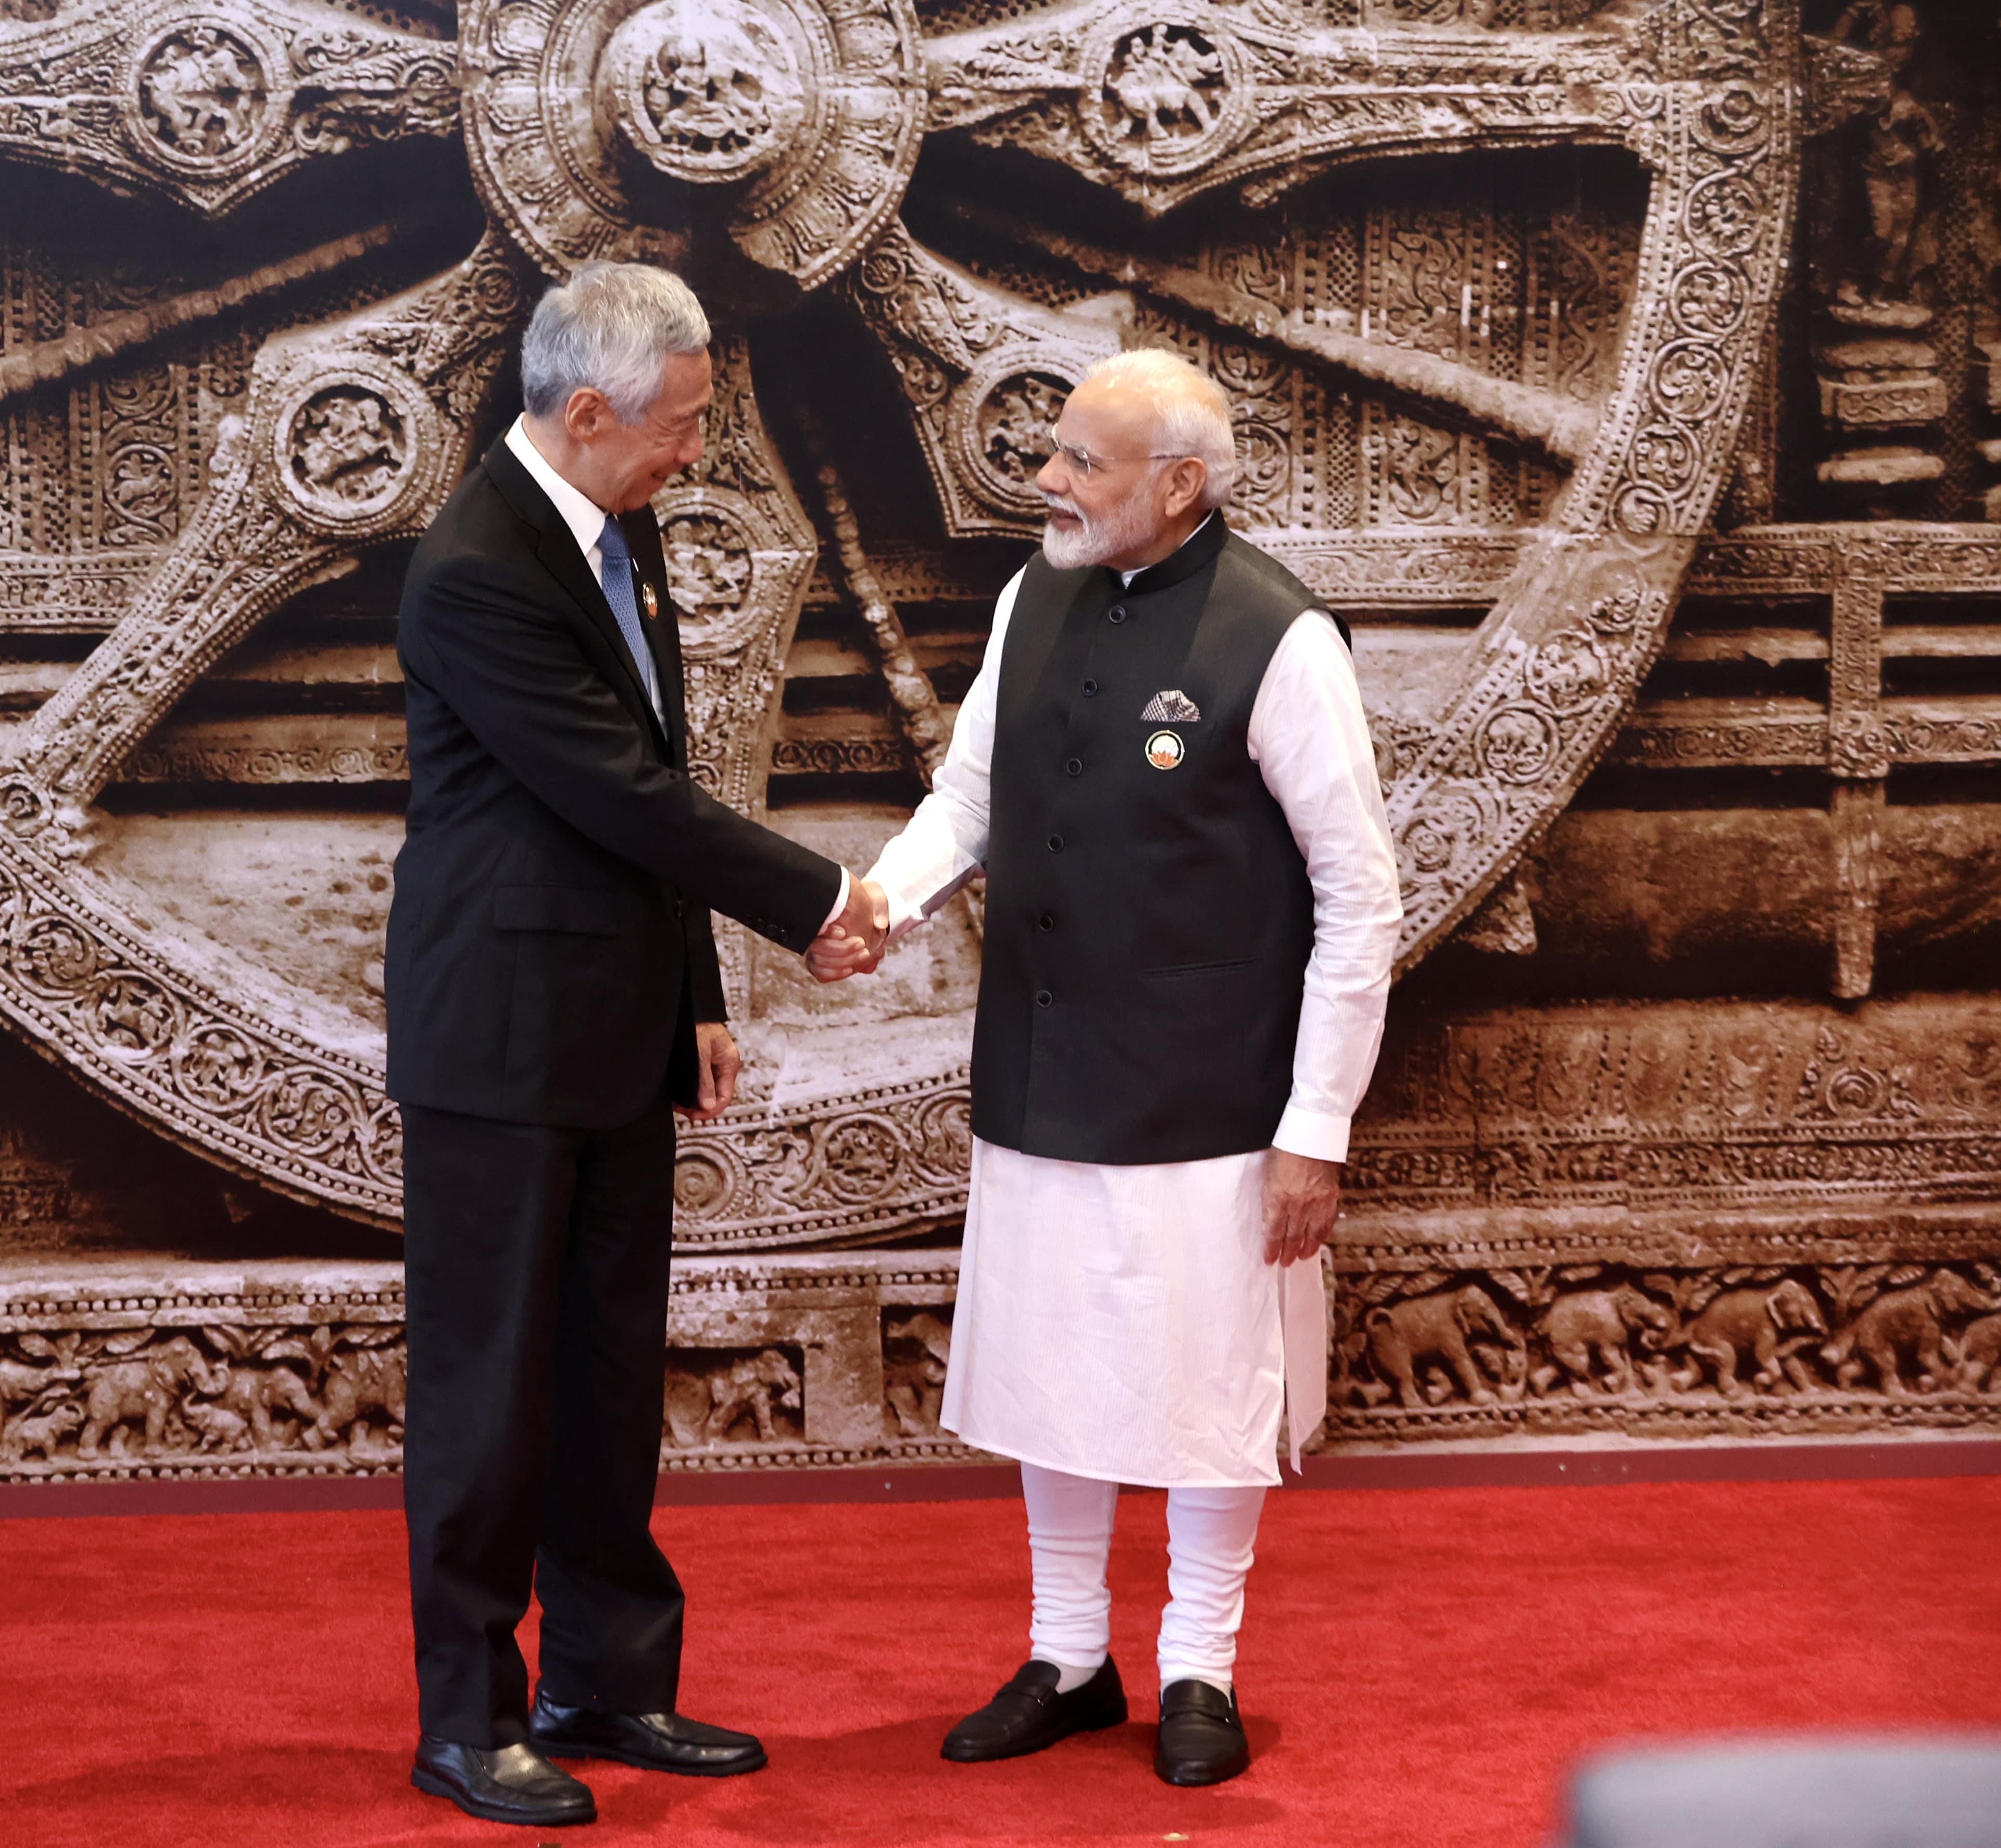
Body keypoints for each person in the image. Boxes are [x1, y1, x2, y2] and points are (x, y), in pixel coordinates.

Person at [809, 346, 1401, 1786]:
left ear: (1179, 484)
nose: (1049, 481)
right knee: (1052, 1371)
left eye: (1083, 461)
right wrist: (883, 900)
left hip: (1214, 1096)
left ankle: (1203, 1664)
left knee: (1207, 1388)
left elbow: (1361, 895)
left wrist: (1316, 1124)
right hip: (1040, 1065)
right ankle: (1069, 1655)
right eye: (1055, 452)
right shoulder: (1036, 594)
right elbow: (971, 797)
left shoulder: (1282, 638)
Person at [389, 261, 887, 1828]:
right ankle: (466, 1718)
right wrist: (820, 894)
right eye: (676, 427)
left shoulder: (623, 527)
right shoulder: (476, 566)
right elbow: (620, 788)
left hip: (615, 1027)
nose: (693, 452)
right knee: (493, 1389)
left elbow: (654, 774)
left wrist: (700, 990)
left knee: (607, 1376)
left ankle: (605, 1677)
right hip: (499, 1037)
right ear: (587, 412)